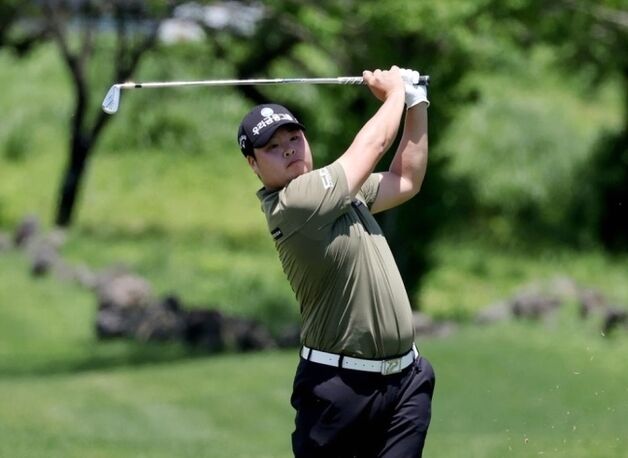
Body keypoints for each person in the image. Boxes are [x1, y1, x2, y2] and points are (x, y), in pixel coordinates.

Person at [237, 65, 435, 457]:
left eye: (294, 137)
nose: (289, 149)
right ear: (253, 164)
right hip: (340, 390)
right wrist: (395, 93)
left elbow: (406, 180)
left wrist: (417, 103)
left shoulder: (339, 194)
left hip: (405, 380)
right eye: (272, 147)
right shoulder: (296, 202)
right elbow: (372, 146)